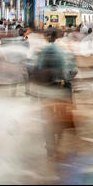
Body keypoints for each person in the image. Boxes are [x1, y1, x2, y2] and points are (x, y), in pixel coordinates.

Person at [33, 29, 77, 158]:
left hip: (47, 90)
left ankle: (49, 147)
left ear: (47, 37)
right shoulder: (62, 51)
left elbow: (39, 68)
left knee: (46, 119)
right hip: (61, 88)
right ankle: (57, 142)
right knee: (63, 117)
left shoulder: (45, 51)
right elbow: (69, 71)